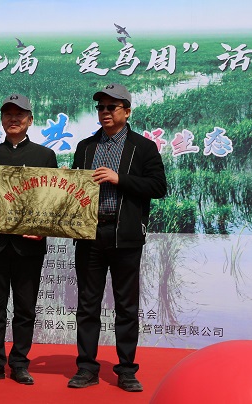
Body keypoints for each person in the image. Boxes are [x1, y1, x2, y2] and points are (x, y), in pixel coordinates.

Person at [68, 83, 167, 391]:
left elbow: (158, 187)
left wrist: (119, 178)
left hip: (124, 235)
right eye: (101, 107)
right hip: (89, 234)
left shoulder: (143, 147)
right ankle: (86, 367)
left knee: (126, 306)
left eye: (112, 107)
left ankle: (126, 370)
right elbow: (73, 187)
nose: (105, 112)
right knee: (88, 304)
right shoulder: (86, 147)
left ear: (127, 111)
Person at [0, 94, 58, 385]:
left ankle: (19, 363)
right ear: (2, 119)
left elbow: (55, 199)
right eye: (8, 114)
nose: (13, 119)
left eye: (20, 114)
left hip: (29, 245)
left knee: (25, 309)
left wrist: (44, 228)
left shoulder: (45, 156)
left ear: (30, 120)